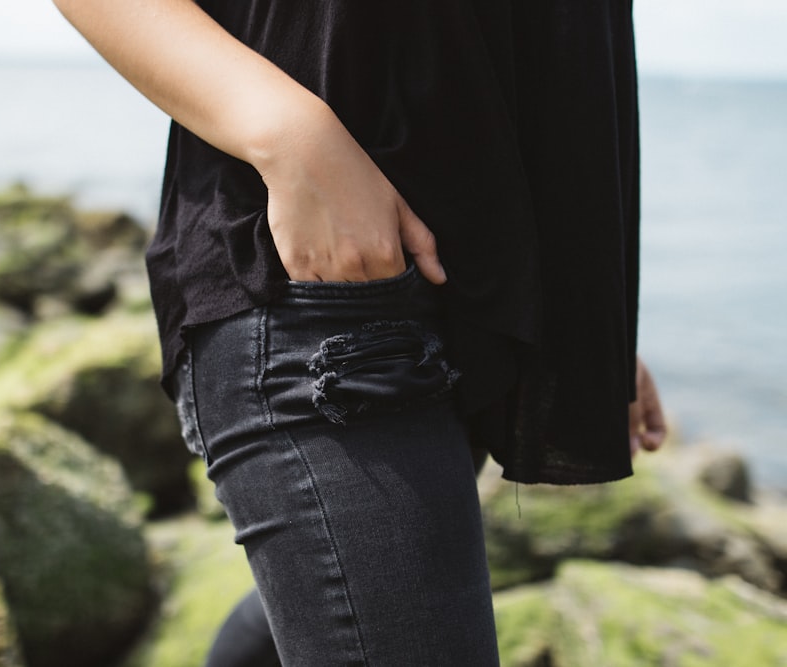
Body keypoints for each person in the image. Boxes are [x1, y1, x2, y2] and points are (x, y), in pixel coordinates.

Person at [53, 1, 667, 664]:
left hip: (480, 299)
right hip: (313, 280)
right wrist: (288, 134)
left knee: (323, 601)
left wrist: (590, 315)